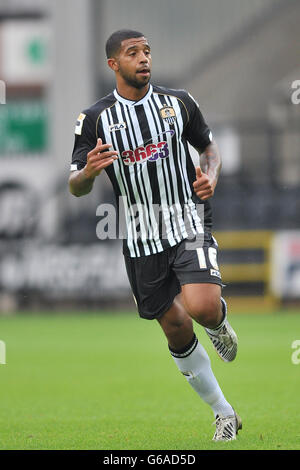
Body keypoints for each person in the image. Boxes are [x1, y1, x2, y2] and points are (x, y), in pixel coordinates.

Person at [69, 29, 242, 441]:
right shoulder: (94, 119)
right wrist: (89, 173)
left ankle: (218, 323)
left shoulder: (178, 103)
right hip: (140, 236)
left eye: (147, 52)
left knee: (201, 307)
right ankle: (223, 413)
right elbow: (75, 183)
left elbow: (209, 150)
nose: (144, 59)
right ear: (114, 64)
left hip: (188, 220)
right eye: (133, 53)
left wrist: (211, 177)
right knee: (176, 328)